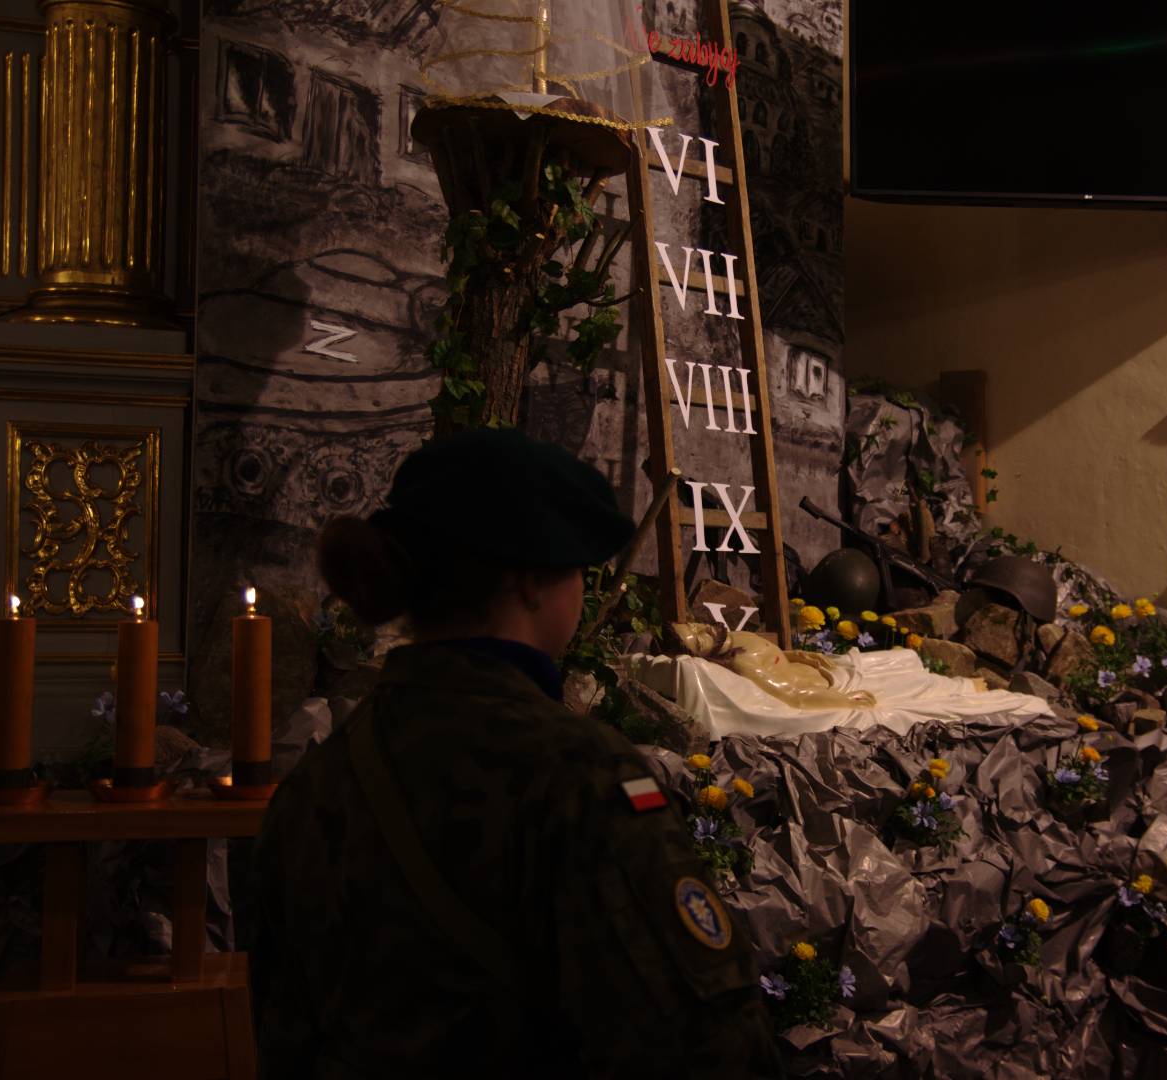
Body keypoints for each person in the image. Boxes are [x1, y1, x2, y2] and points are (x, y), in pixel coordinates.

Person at [249, 427, 782, 1077]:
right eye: (579, 570)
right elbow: (708, 1046)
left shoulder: (316, 785)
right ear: (531, 582)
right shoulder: (580, 779)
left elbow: (281, 1032)